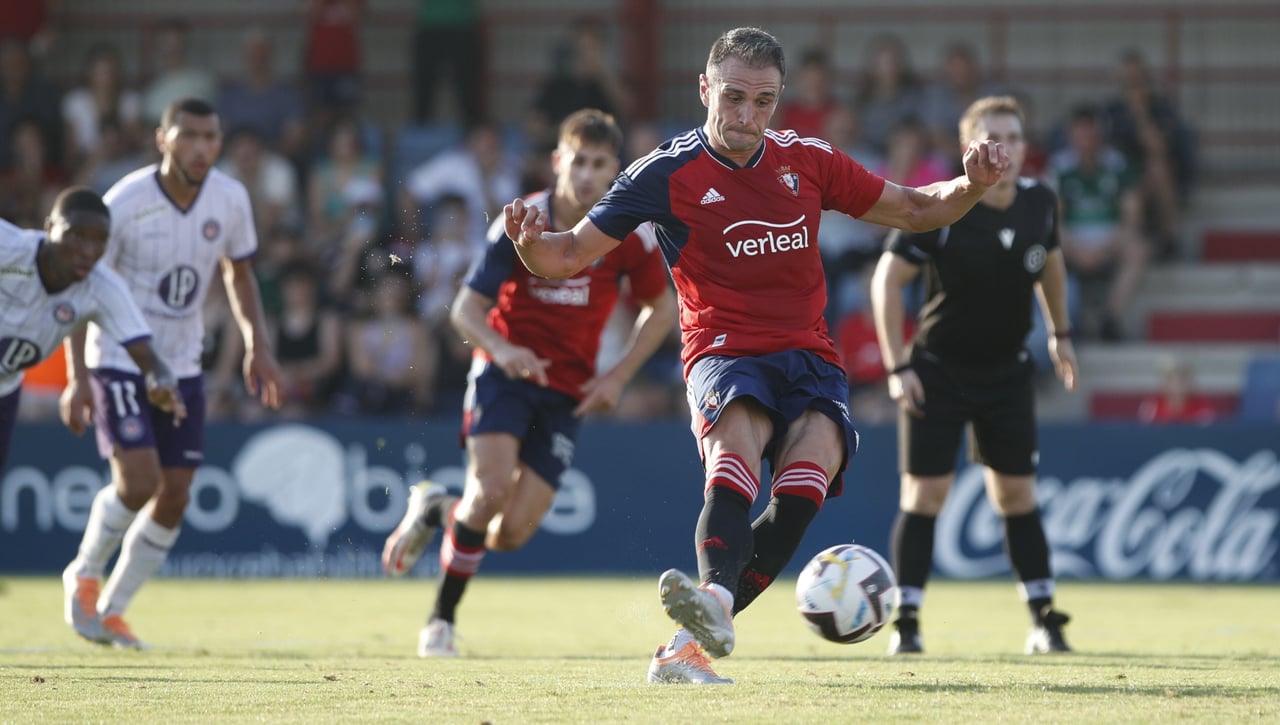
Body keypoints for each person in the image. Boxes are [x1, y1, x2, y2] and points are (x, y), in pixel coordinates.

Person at [502, 27, 1009, 684]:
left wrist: (968, 186)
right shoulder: (664, 173)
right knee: (736, 454)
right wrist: (527, 246)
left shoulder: (808, 159)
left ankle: (697, 628)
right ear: (706, 89)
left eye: (763, 102)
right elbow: (565, 253)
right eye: (734, 97)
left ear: (779, 100)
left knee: (810, 475)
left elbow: (913, 209)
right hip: (723, 350)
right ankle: (707, 611)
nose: (747, 116)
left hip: (808, 354)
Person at [380, 108, 677, 658]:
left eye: (599, 164)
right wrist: (503, 348)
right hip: (504, 377)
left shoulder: (629, 235)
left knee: (510, 533)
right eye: (578, 160)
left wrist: (617, 376)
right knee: (490, 492)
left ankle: (435, 510)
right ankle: (441, 621)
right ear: (558, 161)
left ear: (615, 170)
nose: (587, 174)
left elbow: (662, 309)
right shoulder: (521, 221)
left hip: (567, 392)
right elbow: (466, 311)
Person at [59, 97, 282, 649]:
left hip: (182, 362)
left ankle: (113, 609)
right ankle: (84, 574)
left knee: (176, 493)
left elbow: (240, 273)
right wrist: (77, 377)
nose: (201, 148)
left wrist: (257, 342)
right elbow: (82, 285)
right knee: (138, 482)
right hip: (119, 357)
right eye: (189, 136)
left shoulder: (230, 198)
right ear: (163, 139)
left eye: (211, 137)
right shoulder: (126, 202)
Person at [868, 95, 1078, 657]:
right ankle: (906, 624)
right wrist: (897, 366)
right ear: (970, 149)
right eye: (992, 136)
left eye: (1013, 134)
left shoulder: (1040, 202)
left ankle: (1043, 620)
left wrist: (1060, 334)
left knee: (1015, 494)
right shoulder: (941, 205)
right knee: (926, 494)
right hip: (938, 370)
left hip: (1007, 371)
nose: (1004, 145)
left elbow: (1051, 263)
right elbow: (886, 282)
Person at [0, 187, 184, 474]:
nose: (87, 251)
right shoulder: (9, 248)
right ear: (50, 227)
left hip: (5, 389)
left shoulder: (103, 289)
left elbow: (148, 355)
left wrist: (162, 381)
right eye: (77, 236)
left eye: (99, 241)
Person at [1049, 104, 1150, 341]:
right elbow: (1055, 219)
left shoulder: (1118, 165)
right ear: (1071, 136)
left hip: (1110, 236)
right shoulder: (1059, 167)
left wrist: (1104, 247)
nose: (1086, 141)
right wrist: (1077, 249)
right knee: (1044, 242)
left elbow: (1132, 217)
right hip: (1073, 239)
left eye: (1090, 134)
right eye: (1080, 134)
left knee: (1139, 247)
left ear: (1100, 135)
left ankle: (1111, 317)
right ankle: (1062, 321)